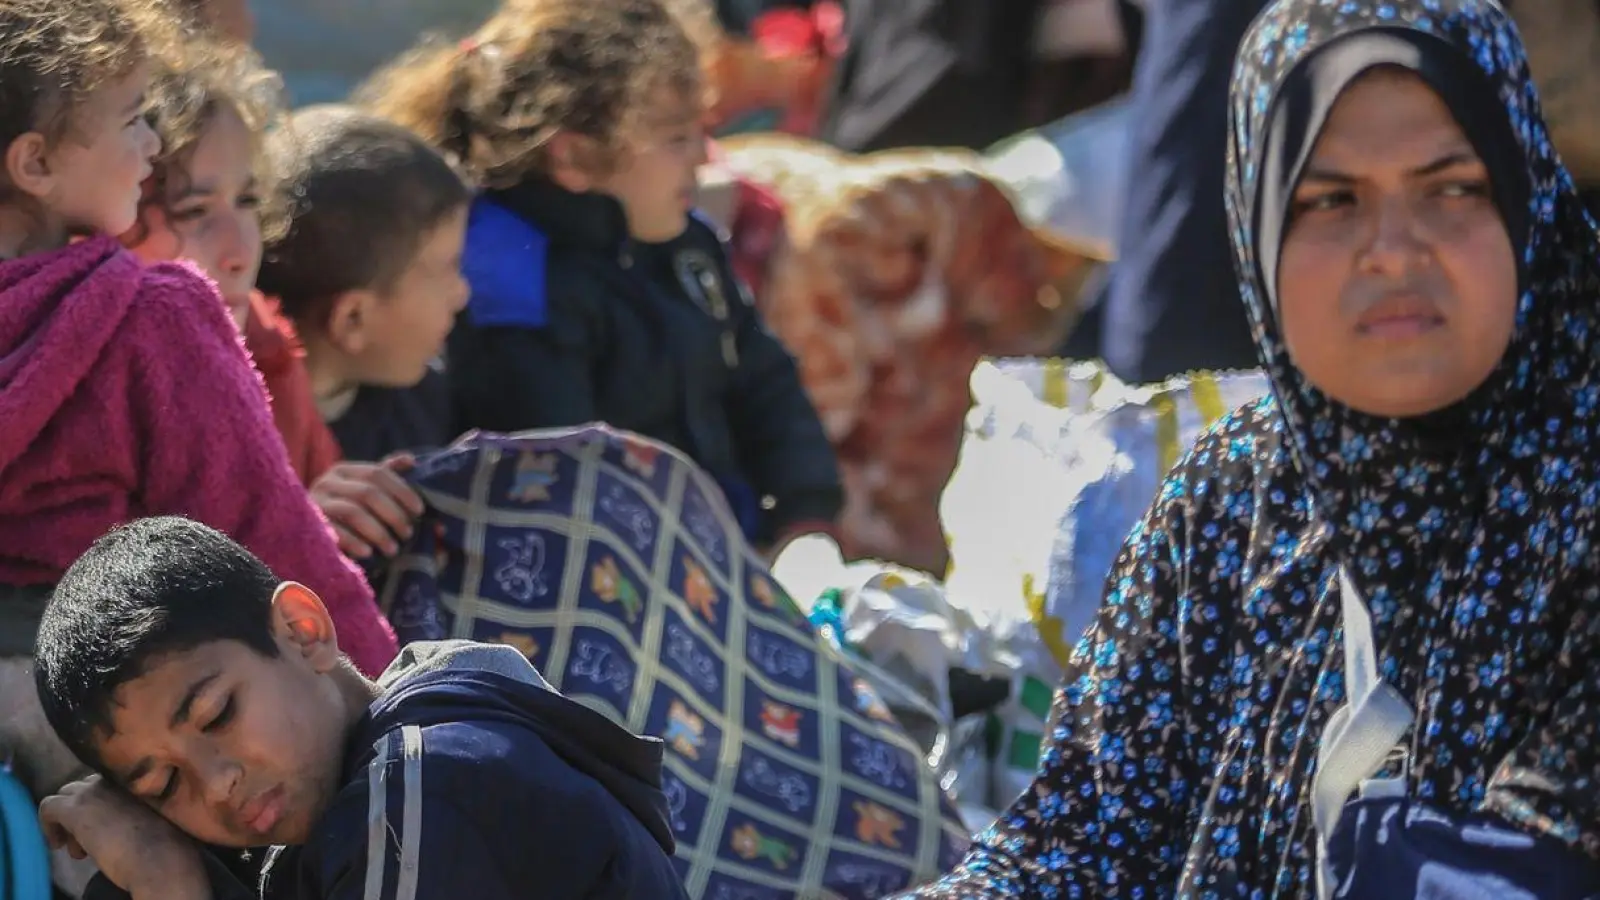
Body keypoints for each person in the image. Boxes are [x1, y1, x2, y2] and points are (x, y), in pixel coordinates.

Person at [894, 0, 1600, 893]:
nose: (1391, 250)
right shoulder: (1233, 494)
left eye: (1451, 188)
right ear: (1256, 229)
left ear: (1525, 197)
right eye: (1330, 200)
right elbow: (1080, 838)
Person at [359, 0, 843, 554]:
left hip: (723, 550)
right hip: (611, 574)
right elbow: (559, 483)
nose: (702, 162)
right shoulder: (508, 279)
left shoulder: (684, 242)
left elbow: (761, 376)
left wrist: (805, 510)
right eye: (677, 138)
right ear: (575, 156)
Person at [31, 516, 690, 900]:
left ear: (301, 630)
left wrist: (170, 888)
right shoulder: (357, 790)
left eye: (215, 714)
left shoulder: (428, 786)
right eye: (165, 784)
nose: (217, 782)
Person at [122, 39, 343, 490]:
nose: (239, 254)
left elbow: (312, 501)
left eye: (247, 201)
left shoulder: (268, 350)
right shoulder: (77, 392)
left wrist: (340, 515)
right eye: (193, 211)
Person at [256, 105, 471, 560]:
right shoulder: (246, 429)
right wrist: (303, 533)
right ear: (351, 319)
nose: (463, 294)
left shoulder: (419, 398)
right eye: (448, 268)